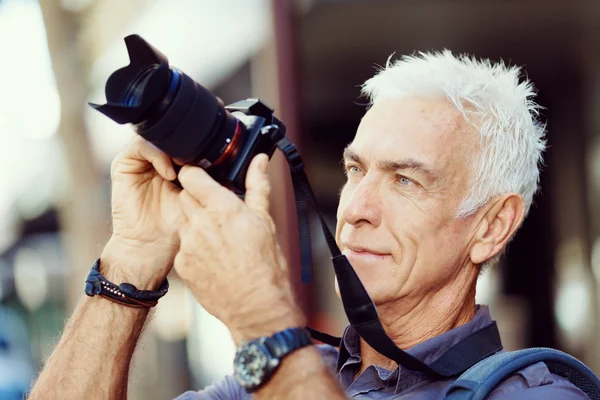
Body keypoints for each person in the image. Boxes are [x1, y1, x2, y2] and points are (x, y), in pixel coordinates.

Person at [28, 51, 589, 400]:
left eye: (404, 181)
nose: (355, 207)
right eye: (355, 169)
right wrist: (129, 262)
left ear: (492, 226)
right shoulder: (282, 375)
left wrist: (259, 315)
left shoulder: (536, 394)